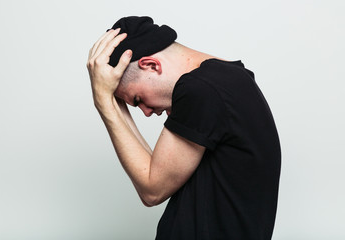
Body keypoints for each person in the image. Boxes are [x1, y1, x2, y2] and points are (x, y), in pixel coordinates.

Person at [86, 16, 281, 240]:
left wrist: (102, 101)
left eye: (138, 99)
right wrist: (111, 97)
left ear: (151, 65)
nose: (147, 112)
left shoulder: (201, 90)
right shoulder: (227, 80)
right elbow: (154, 169)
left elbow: (152, 190)